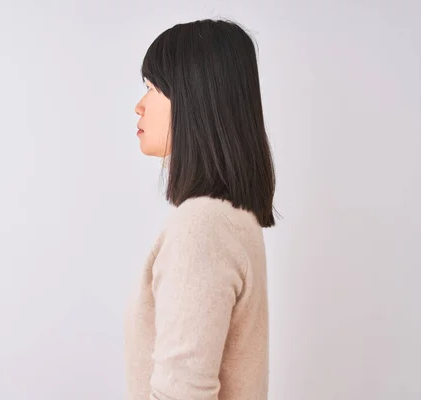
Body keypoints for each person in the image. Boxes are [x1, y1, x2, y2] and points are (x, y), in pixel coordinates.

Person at [124, 19, 276, 400]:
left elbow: (182, 393)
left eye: (153, 88)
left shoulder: (202, 227)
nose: (139, 106)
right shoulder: (232, 220)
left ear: (194, 98)